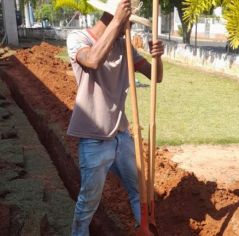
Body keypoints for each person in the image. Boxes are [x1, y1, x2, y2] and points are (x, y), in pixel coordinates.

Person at [66, 0, 164, 235]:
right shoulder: (78, 38)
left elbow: (155, 76)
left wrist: (158, 57)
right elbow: (92, 60)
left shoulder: (124, 46)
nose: (128, 27)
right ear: (113, 16)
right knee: (89, 202)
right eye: (127, 22)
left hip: (122, 135)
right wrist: (118, 19)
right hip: (94, 138)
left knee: (139, 191)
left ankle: (145, 230)